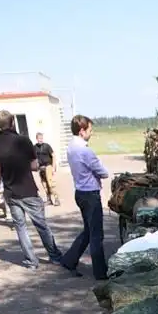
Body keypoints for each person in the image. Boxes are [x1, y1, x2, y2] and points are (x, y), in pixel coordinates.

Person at [0, 110, 63, 270]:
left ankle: (31, 261)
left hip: (10, 191)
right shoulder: (23, 141)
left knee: (21, 227)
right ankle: (55, 256)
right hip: (27, 189)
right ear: (12, 122)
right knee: (41, 225)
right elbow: (34, 165)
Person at [61, 114, 109, 280]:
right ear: (82, 131)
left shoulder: (71, 146)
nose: (91, 132)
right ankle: (100, 272)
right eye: (90, 129)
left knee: (89, 231)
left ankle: (69, 259)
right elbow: (104, 172)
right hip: (90, 194)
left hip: (80, 192)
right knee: (96, 235)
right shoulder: (85, 150)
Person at [34, 132, 60, 206]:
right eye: (39, 138)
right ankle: (49, 200)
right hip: (41, 168)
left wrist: (53, 167)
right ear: (36, 139)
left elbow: (53, 156)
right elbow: (34, 158)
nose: (40, 140)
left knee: (50, 183)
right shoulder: (34, 147)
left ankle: (56, 199)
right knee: (44, 184)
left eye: (41, 138)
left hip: (48, 166)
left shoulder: (47, 146)